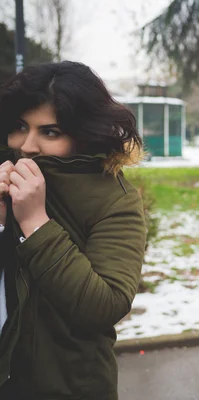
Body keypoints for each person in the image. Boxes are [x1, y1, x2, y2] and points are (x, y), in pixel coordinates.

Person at [0, 61, 146, 399]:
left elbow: (104, 306)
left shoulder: (114, 201)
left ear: (84, 134)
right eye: (20, 127)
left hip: (70, 388)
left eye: (50, 132)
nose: (27, 145)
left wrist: (37, 224)